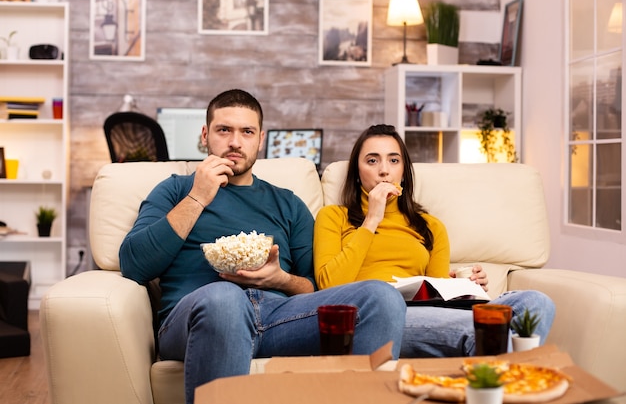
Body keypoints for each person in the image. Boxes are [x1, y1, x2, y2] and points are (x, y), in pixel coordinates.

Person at [119, 91, 406, 404]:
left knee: (382, 297)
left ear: (260, 139)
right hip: (200, 315)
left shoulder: (288, 204)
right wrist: (198, 196)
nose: (235, 142)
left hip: (278, 318)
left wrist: (279, 280)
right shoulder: (176, 189)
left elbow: (315, 286)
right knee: (225, 299)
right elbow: (134, 264)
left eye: (247, 132)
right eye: (224, 130)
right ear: (205, 135)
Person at [313, 124, 555, 358]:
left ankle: (503, 380)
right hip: (378, 316)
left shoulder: (430, 226)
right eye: (372, 160)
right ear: (357, 173)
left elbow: (438, 295)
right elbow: (330, 286)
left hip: (426, 311)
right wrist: (372, 220)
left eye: (394, 160)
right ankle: (513, 386)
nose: (384, 170)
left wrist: (466, 287)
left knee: (536, 302)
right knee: (483, 330)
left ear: (404, 172)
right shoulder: (334, 216)